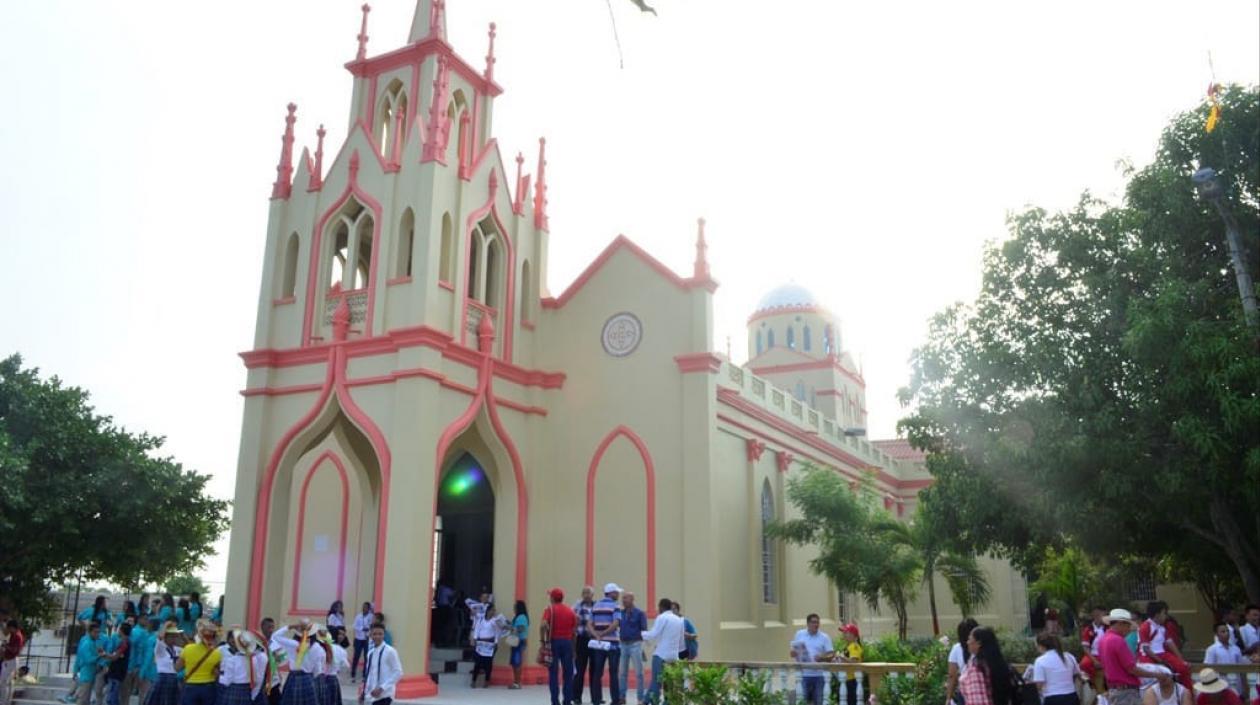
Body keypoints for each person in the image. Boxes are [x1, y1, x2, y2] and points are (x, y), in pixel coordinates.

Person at [1099, 608, 1164, 705]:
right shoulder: (1118, 641)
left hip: (1114, 689)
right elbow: (1132, 669)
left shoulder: (1103, 640)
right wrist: (1156, 675)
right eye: (1128, 625)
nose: (1129, 629)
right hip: (1126, 692)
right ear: (1121, 623)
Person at [641, 599, 685, 705]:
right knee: (670, 683)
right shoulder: (679, 620)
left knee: (656, 682)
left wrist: (639, 634)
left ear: (661, 607)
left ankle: (653, 702)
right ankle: (656, 702)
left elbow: (653, 634)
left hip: (661, 655)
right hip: (674, 656)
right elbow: (681, 640)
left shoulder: (662, 617)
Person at [1139, 602, 1191, 688]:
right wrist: (1161, 662)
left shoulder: (1162, 627)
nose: (1166, 616)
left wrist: (1181, 660)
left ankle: (1188, 693)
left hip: (1163, 654)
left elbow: (1170, 643)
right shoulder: (1145, 626)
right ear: (1157, 614)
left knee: (1183, 668)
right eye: (1164, 613)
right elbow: (1146, 649)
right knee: (1159, 676)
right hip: (1148, 656)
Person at [958, 627, 1013, 705]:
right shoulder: (996, 663)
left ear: (979, 643)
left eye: (970, 639)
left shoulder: (976, 668)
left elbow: (978, 701)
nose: (967, 642)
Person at [589, 584, 624, 705]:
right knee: (613, 673)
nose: (618, 594)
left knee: (597, 672)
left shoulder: (596, 606)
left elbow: (589, 624)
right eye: (616, 592)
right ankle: (615, 700)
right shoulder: (615, 606)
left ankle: (596, 699)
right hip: (613, 645)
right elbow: (615, 624)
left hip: (599, 645)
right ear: (611, 593)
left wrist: (597, 635)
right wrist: (604, 633)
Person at [789, 613, 834, 705]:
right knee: (802, 701)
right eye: (813, 622)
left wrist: (822, 658)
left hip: (819, 675)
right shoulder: (799, 634)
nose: (816, 625)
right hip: (803, 675)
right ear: (808, 623)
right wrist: (793, 653)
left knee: (819, 701)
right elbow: (794, 652)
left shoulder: (824, 637)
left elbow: (831, 655)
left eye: (817, 622)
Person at [541, 588, 577, 705]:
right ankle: (567, 700)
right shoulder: (570, 611)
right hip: (567, 643)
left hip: (553, 643)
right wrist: (574, 649)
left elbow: (543, 625)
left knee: (553, 673)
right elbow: (574, 632)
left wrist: (543, 641)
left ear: (552, 598)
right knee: (568, 674)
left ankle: (555, 701)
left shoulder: (549, 609)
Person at [177, 620, 222, 705]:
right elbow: (217, 673)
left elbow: (177, 667)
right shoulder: (217, 653)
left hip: (190, 686)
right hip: (208, 687)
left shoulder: (188, 649)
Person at [1030, 633, 1080, 705]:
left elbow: (1038, 685)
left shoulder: (1040, 661)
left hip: (1053, 698)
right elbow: (1077, 676)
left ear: (1041, 646)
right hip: (1072, 696)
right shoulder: (1069, 656)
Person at [218, 631, 266, 705]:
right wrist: (253, 695)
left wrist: (219, 676)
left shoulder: (232, 660)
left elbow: (227, 681)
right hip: (247, 690)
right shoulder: (254, 660)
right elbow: (257, 679)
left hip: (233, 690)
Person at [617, 592, 647, 704]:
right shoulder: (621, 613)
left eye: (626, 598)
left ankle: (640, 698)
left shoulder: (640, 613)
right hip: (623, 644)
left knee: (639, 673)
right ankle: (622, 697)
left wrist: (642, 645)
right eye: (623, 598)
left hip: (636, 644)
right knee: (622, 673)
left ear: (632, 599)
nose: (623, 600)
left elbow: (644, 629)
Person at [1203, 625, 1248, 696]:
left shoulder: (1236, 649)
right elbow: (1208, 669)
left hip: (1236, 684)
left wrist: (1245, 687)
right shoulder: (1212, 649)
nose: (1226, 633)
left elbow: (1241, 669)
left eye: (1227, 631)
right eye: (1223, 632)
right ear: (1216, 634)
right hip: (1220, 685)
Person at [147, 622, 185, 705]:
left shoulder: (178, 649)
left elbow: (189, 648)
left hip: (174, 678)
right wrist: (166, 625)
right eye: (172, 636)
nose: (174, 638)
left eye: (175, 636)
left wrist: (182, 635)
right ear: (166, 637)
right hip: (163, 677)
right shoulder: (161, 648)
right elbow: (160, 637)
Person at [362, 624, 401, 705]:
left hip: (385, 694)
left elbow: (398, 672)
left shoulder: (390, 651)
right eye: (375, 634)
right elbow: (369, 674)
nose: (377, 636)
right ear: (371, 635)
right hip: (373, 695)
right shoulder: (370, 653)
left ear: (384, 635)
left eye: (380, 634)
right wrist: (364, 693)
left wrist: (382, 688)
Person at [469, 604, 504, 688]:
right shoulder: (481, 619)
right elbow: (477, 629)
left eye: (494, 610)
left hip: (490, 643)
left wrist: (496, 642)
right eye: (492, 610)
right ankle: (474, 681)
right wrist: (475, 639)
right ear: (488, 611)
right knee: (477, 662)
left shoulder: (494, 621)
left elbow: (497, 632)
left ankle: (487, 681)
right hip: (481, 643)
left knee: (488, 663)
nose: (493, 612)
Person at [573, 586, 597, 705]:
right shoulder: (577, 606)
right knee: (580, 669)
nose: (586, 594)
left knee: (595, 669)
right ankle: (577, 697)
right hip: (581, 640)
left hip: (594, 640)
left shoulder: (597, 605)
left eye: (589, 592)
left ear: (593, 595)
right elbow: (572, 620)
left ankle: (596, 697)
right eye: (584, 592)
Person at [945, 618, 978, 705]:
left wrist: (948, 698)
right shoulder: (982, 646)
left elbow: (952, 676)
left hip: (965, 691)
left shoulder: (956, 648)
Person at [104, 624, 132, 705]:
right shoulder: (126, 642)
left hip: (116, 673)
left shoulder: (124, 644)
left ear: (121, 631)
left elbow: (115, 657)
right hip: (118, 672)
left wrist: (104, 655)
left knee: (112, 698)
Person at [257, 619, 283, 705]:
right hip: (260, 680)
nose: (271, 630)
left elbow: (280, 661)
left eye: (272, 627)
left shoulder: (276, 644)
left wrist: (277, 657)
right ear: (262, 627)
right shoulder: (256, 643)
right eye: (269, 627)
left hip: (273, 680)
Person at [836, 624, 863, 705]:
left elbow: (854, 662)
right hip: (846, 679)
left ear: (853, 635)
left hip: (852, 680)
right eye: (843, 632)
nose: (843, 634)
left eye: (846, 632)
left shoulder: (854, 646)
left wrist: (841, 657)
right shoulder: (848, 646)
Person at [1, 620, 25, 705]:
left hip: (12, 660)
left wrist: (6, 646)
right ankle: (7, 701)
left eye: (10, 628)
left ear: (13, 627)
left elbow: (15, 650)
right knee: (9, 682)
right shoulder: (13, 635)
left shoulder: (18, 636)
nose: (9, 629)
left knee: (4, 681)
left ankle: (4, 702)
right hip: (9, 660)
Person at [350, 604, 373, 683]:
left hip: (366, 639)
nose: (364, 609)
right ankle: (353, 675)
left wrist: (368, 630)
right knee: (356, 656)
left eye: (366, 608)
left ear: (369, 609)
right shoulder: (358, 616)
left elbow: (372, 627)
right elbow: (354, 626)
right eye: (363, 607)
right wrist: (362, 628)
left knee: (367, 657)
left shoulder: (371, 616)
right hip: (358, 639)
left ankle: (364, 676)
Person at [509, 601, 529, 690]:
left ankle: (517, 682)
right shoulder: (519, 617)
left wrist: (511, 628)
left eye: (515, 607)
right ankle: (516, 681)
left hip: (518, 640)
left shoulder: (521, 617)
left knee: (517, 662)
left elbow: (521, 628)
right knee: (515, 662)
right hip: (517, 640)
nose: (514, 609)